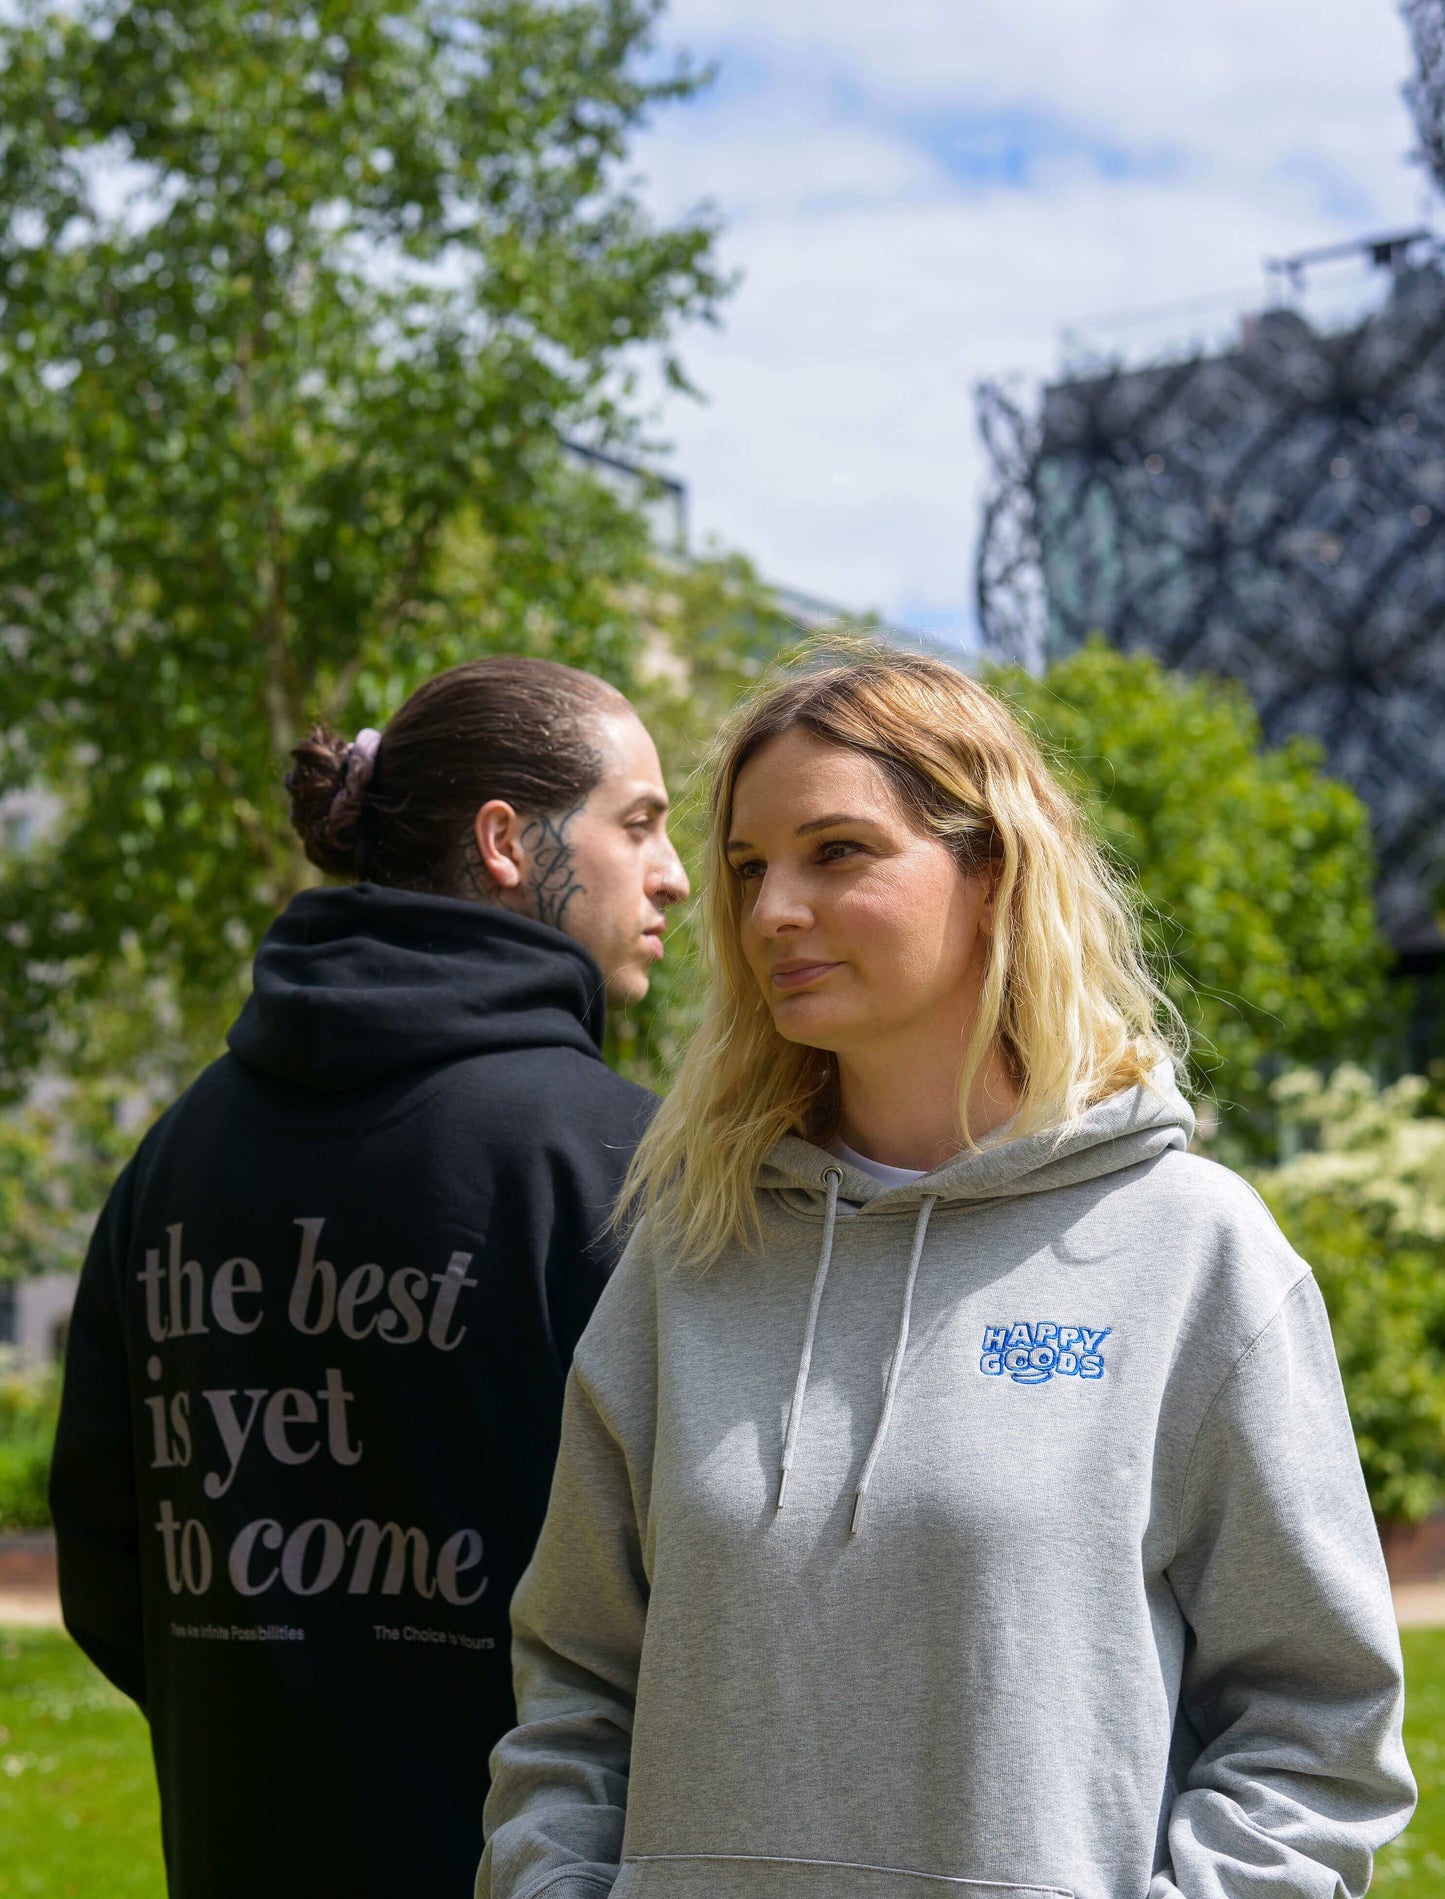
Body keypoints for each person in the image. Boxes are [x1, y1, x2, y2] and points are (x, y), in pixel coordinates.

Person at [480, 647, 1414, 1899]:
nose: (768, 914)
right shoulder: (691, 1251)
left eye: (836, 852)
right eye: (748, 869)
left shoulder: (1191, 1254)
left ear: (990, 872)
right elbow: (575, 1686)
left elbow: (1317, 1725)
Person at [50, 655, 688, 1899]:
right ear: (506, 841)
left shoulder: (174, 1156)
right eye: (640, 824)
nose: (671, 875)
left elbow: (105, 1552)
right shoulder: (621, 1163)